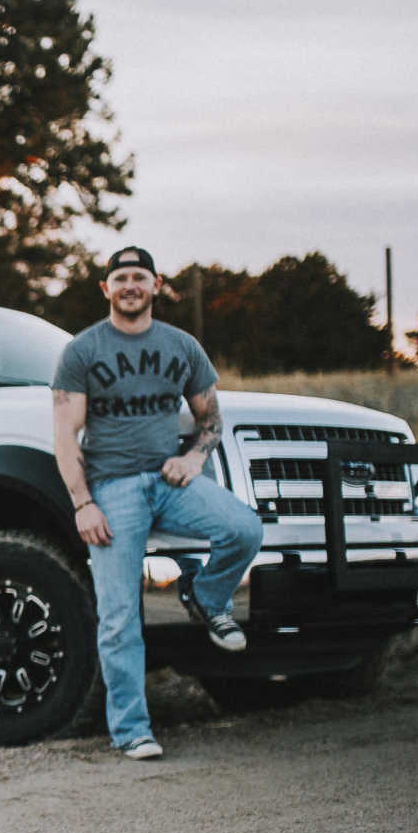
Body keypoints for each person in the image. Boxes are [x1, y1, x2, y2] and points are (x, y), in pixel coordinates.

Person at [51, 246, 263, 760]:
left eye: (139, 277)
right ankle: (132, 731)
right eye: (120, 277)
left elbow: (211, 418)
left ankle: (207, 599)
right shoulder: (82, 351)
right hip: (113, 488)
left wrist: (193, 459)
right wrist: (83, 504)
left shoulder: (181, 346)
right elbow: (64, 433)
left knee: (244, 530)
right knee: (120, 614)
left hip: (171, 480)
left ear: (156, 284)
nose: (130, 285)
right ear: (106, 288)